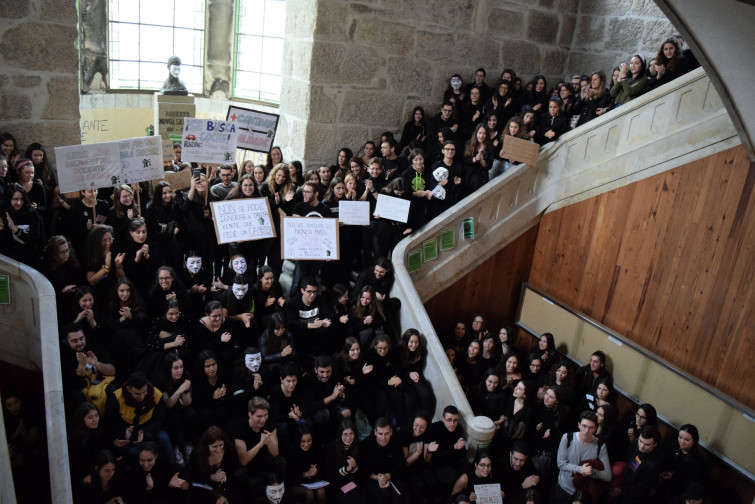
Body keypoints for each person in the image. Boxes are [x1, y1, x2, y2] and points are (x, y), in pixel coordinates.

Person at [106, 371, 172, 462]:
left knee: (164, 438)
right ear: (129, 389)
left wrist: (144, 433)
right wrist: (124, 430)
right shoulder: (116, 398)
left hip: (149, 430)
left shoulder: (157, 395)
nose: (141, 397)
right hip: (127, 434)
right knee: (132, 451)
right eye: (137, 394)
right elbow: (112, 421)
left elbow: (159, 420)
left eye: (144, 392)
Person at [553, 411, 611, 504]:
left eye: (590, 427)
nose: (587, 430)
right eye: (584, 426)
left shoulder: (600, 445)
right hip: (564, 487)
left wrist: (592, 472)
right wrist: (580, 469)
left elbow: (608, 476)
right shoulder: (568, 437)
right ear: (579, 425)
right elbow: (560, 463)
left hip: (582, 493)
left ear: (595, 429)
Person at [59, 322, 116, 415]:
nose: (79, 343)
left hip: (100, 385)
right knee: (76, 397)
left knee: (112, 391)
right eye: (74, 341)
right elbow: (76, 386)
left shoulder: (95, 347)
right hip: (81, 391)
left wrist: (97, 364)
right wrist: (81, 365)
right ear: (67, 341)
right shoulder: (64, 356)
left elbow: (112, 371)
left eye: (81, 339)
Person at [230, 397, 284, 495]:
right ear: (250, 414)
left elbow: (275, 453)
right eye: (259, 416)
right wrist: (260, 444)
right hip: (249, 464)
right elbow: (243, 460)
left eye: (265, 415)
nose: (263, 419)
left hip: (264, 459)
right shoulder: (239, 427)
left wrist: (269, 442)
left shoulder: (269, 422)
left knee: (280, 461)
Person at [302, 355, 352, 439]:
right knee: (324, 414)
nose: (325, 375)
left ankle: (340, 438)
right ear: (315, 370)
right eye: (322, 372)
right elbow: (310, 407)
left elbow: (345, 397)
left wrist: (341, 395)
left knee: (347, 412)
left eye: (328, 371)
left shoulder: (335, 375)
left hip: (333, 406)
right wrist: (332, 396)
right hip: (318, 411)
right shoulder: (309, 379)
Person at [286, 276, 333, 365]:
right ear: (302, 291)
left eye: (314, 292)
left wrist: (325, 322)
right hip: (301, 334)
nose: (312, 295)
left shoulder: (319, 299)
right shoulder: (294, 302)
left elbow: (329, 315)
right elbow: (290, 323)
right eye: (309, 292)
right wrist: (310, 325)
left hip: (316, 332)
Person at [360, 417, 407, 504]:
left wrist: (387, 476)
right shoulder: (367, 444)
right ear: (375, 432)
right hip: (373, 479)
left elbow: (400, 466)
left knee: (402, 494)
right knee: (384, 496)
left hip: (392, 476)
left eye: (386, 434)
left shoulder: (396, 442)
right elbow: (364, 471)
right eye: (380, 434)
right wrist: (379, 478)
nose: (383, 438)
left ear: (391, 432)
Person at [613, 426, 662, 504]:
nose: (642, 446)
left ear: (655, 444)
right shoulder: (636, 443)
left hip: (633, 497)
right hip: (622, 484)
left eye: (647, 444)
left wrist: (622, 491)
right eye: (641, 441)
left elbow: (642, 488)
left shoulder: (654, 464)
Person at [428, 405, 467, 498]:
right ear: (443, 419)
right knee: (452, 476)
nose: (452, 424)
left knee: (468, 470)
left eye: (455, 420)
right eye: (449, 420)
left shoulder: (458, 429)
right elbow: (436, 458)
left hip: (452, 460)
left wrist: (459, 448)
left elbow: (461, 453)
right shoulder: (434, 429)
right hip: (437, 464)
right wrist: (454, 447)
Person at [3, 183, 44, 270]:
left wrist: (16, 230)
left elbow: (34, 240)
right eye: (15, 199)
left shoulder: (32, 214)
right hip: (10, 261)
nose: (19, 202)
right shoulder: (4, 215)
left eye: (21, 199)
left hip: (30, 260)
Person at [325, 419, 364, 504]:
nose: (348, 438)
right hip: (336, 486)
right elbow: (330, 475)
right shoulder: (332, 447)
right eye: (345, 434)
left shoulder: (359, 446)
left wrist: (354, 467)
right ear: (340, 435)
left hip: (352, 484)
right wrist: (346, 470)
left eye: (351, 434)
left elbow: (362, 475)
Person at [286, 425, 326, 504]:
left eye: (309, 441)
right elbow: (289, 477)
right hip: (296, 483)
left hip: (313, 481)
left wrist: (316, 470)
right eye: (303, 441)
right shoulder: (291, 451)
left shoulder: (316, 448)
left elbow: (323, 467)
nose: (306, 444)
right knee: (309, 494)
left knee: (322, 492)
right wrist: (305, 474)